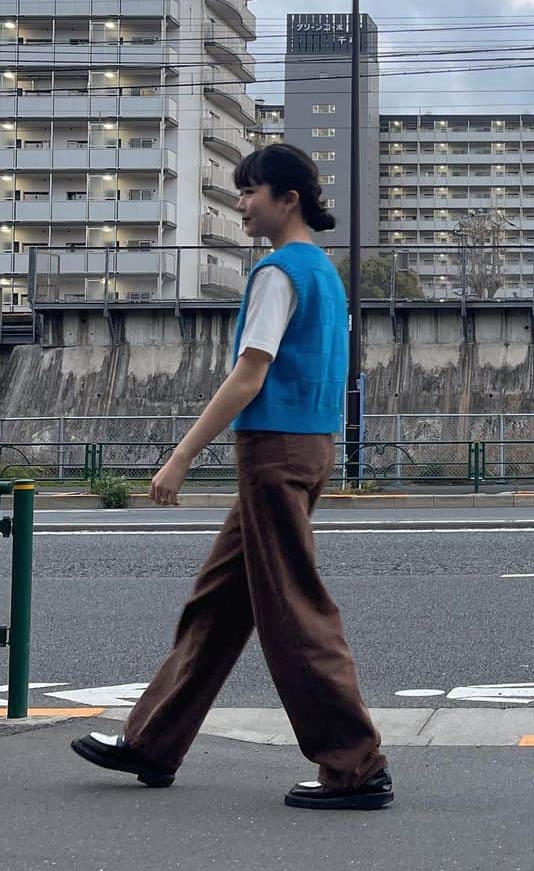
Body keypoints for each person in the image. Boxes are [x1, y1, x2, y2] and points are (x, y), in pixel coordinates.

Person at [71, 143, 392, 811]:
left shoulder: (278, 272)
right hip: (308, 445)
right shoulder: (324, 275)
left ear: (287, 200)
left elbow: (250, 373)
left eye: (250, 192)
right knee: (218, 603)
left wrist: (181, 454)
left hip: (274, 451)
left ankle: (355, 765)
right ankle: (153, 742)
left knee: (294, 612)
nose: (240, 204)